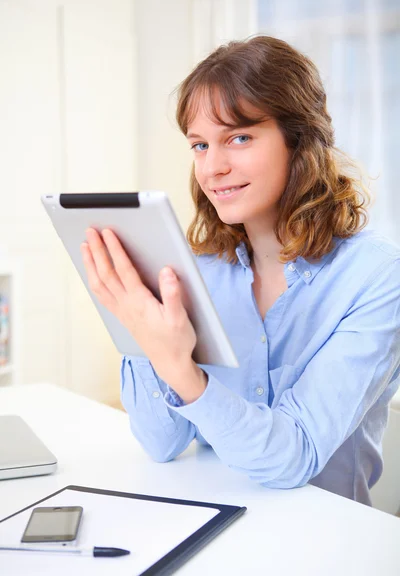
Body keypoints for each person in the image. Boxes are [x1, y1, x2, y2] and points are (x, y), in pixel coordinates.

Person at [81, 36, 400, 506]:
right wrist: (141, 335)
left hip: (326, 542)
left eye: (240, 137)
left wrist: (180, 369)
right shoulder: (199, 271)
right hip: (213, 528)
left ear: (300, 138)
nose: (213, 168)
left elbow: (295, 456)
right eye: (199, 145)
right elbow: (161, 442)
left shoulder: (375, 278)